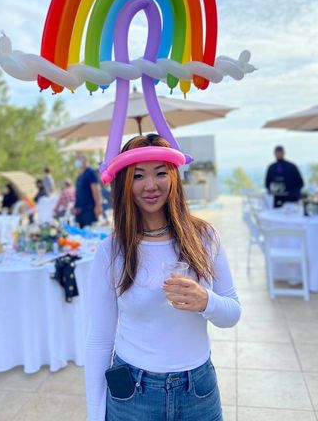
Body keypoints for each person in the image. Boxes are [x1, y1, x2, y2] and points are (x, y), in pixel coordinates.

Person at [84, 134, 241, 421]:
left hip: (198, 390)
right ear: (125, 183)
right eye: (139, 175)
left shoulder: (204, 237)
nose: (151, 185)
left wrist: (205, 301)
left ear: (173, 177)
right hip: (133, 392)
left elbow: (232, 314)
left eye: (160, 173)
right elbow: (99, 339)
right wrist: (94, 415)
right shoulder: (112, 250)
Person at [73, 154, 103, 228]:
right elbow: (78, 193)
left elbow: (96, 190)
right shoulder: (80, 175)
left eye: (79, 160)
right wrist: (75, 206)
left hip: (89, 209)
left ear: (85, 160)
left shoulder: (91, 173)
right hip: (80, 210)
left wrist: (98, 206)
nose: (78, 162)